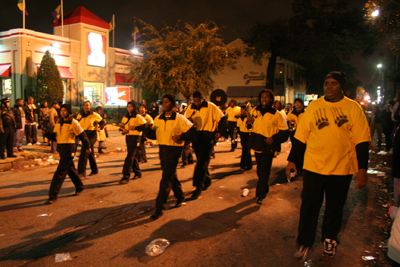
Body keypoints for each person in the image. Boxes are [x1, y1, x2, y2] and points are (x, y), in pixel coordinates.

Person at [286, 71, 370, 261]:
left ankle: (330, 239)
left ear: (342, 87)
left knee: (335, 207)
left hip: (342, 168)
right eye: (326, 84)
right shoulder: (315, 106)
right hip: (314, 167)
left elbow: (362, 140)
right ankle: (305, 241)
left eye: (333, 83)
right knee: (309, 206)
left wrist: (362, 170)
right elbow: (301, 137)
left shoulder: (353, 108)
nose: (329, 87)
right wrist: (292, 161)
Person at [147, 94, 197, 220]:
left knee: (165, 179)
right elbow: (154, 135)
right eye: (163, 102)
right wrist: (146, 129)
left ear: (173, 104)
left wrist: (181, 137)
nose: (164, 104)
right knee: (170, 175)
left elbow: (193, 131)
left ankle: (159, 207)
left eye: (167, 102)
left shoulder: (179, 118)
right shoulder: (158, 118)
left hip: (174, 150)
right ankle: (180, 196)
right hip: (162, 149)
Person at [247, 89, 289, 205]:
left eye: (266, 97)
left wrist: (274, 138)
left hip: (268, 145)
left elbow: (285, 133)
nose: (264, 99)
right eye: (262, 97)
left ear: (271, 99)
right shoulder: (255, 111)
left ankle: (260, 195)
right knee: (260, 170)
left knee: (264, 170)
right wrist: (249, 122)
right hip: (257, 144)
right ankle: (264, 188)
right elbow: (250, 126)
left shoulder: (277, 114)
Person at [43, 104, 90, 204]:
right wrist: (46, 134)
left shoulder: (73, 122)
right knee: (70, 169)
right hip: (61, 149)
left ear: (68, 111)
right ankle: (79, 186)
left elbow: (83, 136)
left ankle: (53, 195)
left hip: (70, 149)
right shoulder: (59, 122)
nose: (62, 112)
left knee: (60, 172)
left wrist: (87, 147)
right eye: (61, 110)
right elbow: (55, 137)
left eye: (65, 110)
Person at [185, 91, 223, 199]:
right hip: (196, 138)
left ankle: (198, 187)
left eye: (198, 101)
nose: (196, 103)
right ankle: (207, 180)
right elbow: (185, 121)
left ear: (202, 98)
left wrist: (219, 131)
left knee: (201, 163)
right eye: (194, 101)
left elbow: (222, 119)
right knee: (202, 161)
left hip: (208, 138)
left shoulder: (212, 107)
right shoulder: (190, 108)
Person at [119, 100, 147, 184]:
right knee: (133, 156)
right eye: (128, 107)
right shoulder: (125, 117)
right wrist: (123, 130)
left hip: (136, 138)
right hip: (128, 137)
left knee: (129, 157)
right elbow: (122, 127)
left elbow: (145, 126)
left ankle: (126, 176)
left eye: (131, 107)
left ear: (134, 107)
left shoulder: (138, 117)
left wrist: (135, 128)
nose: (129, 108)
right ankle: (138, 172)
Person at [76, 101, 105, 179]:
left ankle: (81, 172)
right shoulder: (80, 115)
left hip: (92, 135)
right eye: (85, 105)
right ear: (83, 107)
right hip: (83, 135)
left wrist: (100, 127)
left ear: (90, 106)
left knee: (84, 151)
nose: (86, 107)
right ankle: (94, 170)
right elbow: (77, 124)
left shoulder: (94, 115)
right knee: (90, 152)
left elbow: (102, 122)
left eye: (88, 105)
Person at [237, 105, 252, 171]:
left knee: (245, 150)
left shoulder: (249, 118)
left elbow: (251, 126)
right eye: (241, 110)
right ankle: (249, 165)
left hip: (248, 135)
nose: (242, 111)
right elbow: (238, 126)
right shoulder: (240, 118)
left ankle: (243, 165)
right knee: (246, 150)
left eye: (243, 110)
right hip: (242, 135)